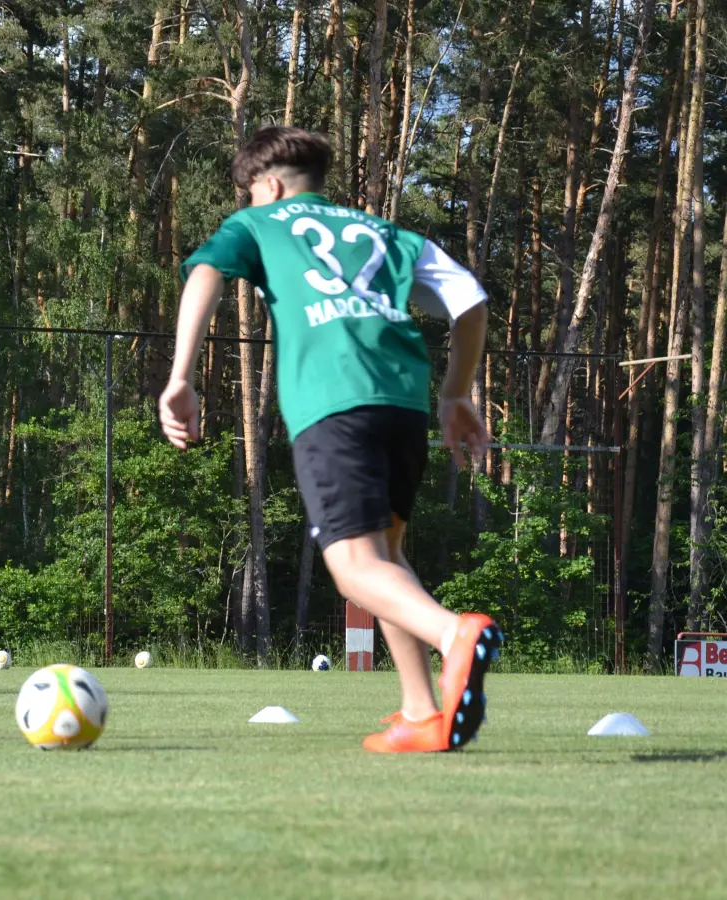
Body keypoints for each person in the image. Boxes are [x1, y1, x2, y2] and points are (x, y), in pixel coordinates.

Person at [160, 126, 503, 753]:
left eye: (250, 192)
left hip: (333, 401)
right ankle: (420, 711)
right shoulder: (385, 233)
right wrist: (456, 394)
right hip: (402, 404)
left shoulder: (259, 222)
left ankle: (455, 634)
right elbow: (469, 298)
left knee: (354, 570)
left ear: (268, 186)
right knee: (386, 555)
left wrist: (181, 377)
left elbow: (206, 271)